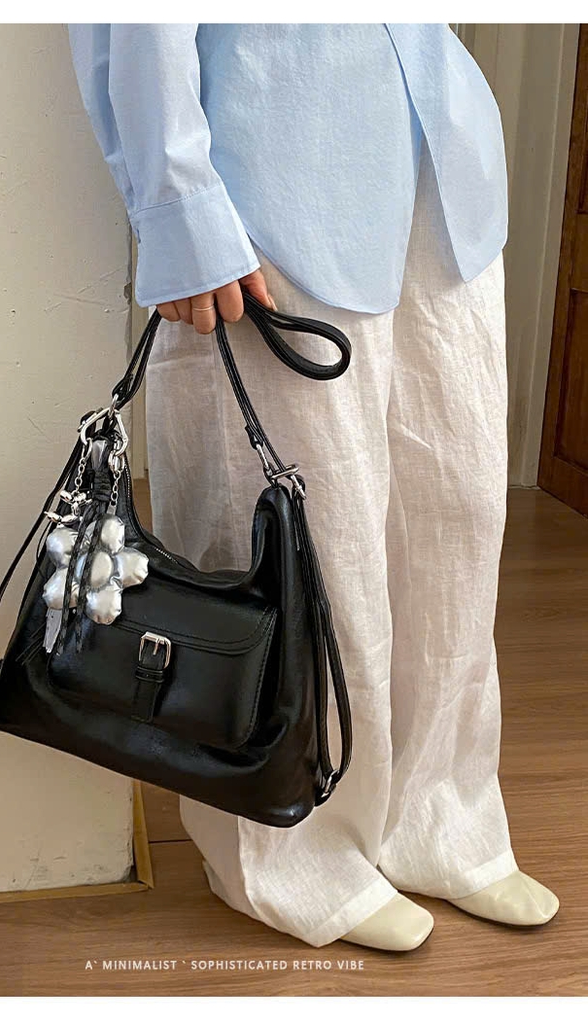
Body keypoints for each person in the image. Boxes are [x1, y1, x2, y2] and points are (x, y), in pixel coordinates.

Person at [67, 23, 559, 950]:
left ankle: (438, 816)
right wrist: (177, 206)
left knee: (452, 518)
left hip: (439, 165)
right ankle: (286, 847)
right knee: (299, 539)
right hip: (272, 173)